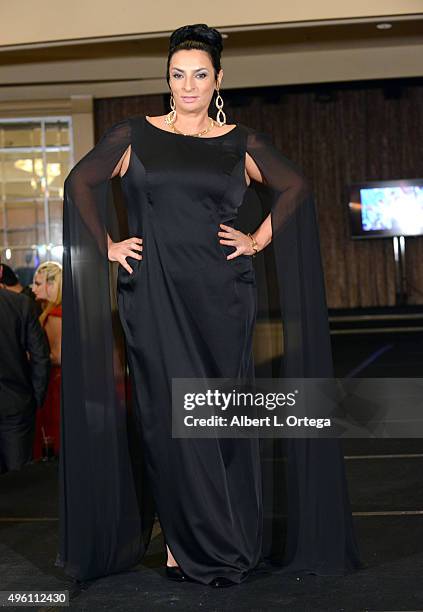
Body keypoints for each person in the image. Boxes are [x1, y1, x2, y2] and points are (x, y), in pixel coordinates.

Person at [55, 23, 362, 588]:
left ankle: (227, 537)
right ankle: (182, 538)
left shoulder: (239, 142)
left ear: (218, 79)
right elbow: (79, 184)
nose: (188, 85)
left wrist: (256, 239)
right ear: (166, 80)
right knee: (166, 419)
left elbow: (294, 187)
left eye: (200, 74)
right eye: (178, 74)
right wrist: (106, 246)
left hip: (222, 295)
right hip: (153, 295)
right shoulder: (134, 135)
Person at [0, 259, 50, 474]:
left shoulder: (21, 304)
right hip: (17, 407)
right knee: (19, 484)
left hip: (17, 407)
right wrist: (36, 399)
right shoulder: (20, 304)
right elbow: (41, 356)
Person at [31, 261, 63, 460]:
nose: (33, 288)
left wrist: (33, 356)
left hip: (55, 382)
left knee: (53, 428)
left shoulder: (54, 315)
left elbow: (58, 355)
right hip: (56, 381)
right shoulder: (53, 312)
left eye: (37, 283)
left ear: (51, 286)